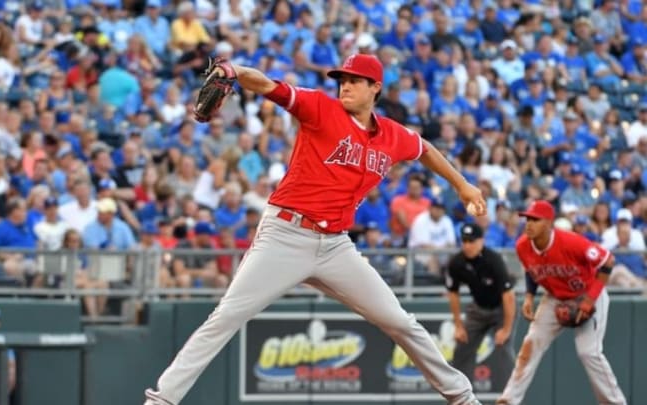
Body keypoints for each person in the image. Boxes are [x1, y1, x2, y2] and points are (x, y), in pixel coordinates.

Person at [144, 54, 486, 405]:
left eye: (354, 80)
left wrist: (462, 185)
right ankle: (161, 401)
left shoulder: (391, 135)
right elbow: (266, 85)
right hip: (285, 235)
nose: (345, 85)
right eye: (342, 79)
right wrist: (234, 71)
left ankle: (462, 398)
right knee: (226, 317)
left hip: (336, 246)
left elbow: (424, 149)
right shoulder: (320, 108)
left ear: (375, 88)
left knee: (400, 322)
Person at [497, 201, 626, 405]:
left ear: (549, 223)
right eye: (527, 219)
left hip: (588, 293)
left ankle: (615, 403)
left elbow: (607, 261)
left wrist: (589, 299)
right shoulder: (522, 246)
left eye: (535, 220)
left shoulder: (571, 242)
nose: (529, 224)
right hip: (555, 296)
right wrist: (530, 295)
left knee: (588, 352)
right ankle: (508, 400)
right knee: (530, 344)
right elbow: (532, 270)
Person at [446, 224, 516, 390]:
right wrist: (458, 326)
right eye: (464, 241)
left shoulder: (493, 260)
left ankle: (512, 398)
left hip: (501, 309)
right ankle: (459, 397)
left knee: (504, 350)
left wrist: (506, 329)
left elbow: (509, 296)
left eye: (471, 241)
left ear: (481, 241)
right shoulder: (457, 263)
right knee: (462, 350)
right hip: (478, 309)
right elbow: (453, 293)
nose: (467, 245)